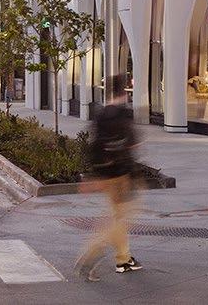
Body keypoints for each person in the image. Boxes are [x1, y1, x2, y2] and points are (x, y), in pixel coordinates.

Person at [74, 73, 143, 280]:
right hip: (122, 174)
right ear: (125, 92)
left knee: (117, 215)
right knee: (122, 218)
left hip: (106, 175)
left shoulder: (101, 115)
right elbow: (132, 144)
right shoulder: (124, 114)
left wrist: (94, 175)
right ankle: (92, 253)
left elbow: (94, 145)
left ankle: (123, 259)